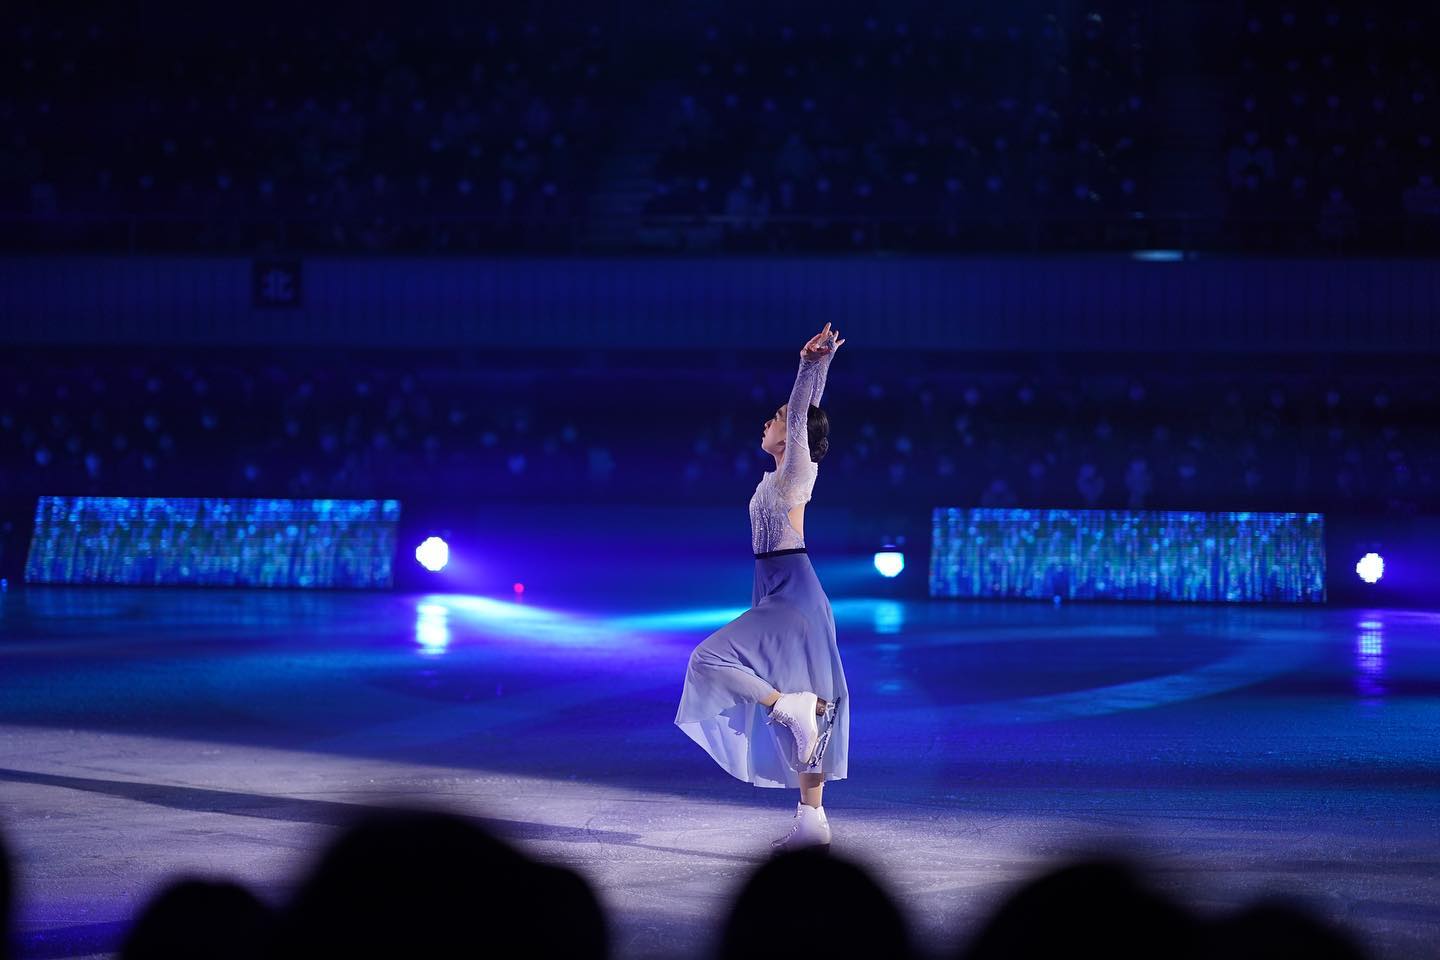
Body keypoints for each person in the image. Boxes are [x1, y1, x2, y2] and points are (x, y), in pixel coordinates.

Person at [675, 322, 849, 850]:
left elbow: (802, 414)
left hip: (792, 589)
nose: (769, 422)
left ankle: (784, 703)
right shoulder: (779, 473)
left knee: (708, 659)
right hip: (779, 587)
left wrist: (807, 364)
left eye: (775, 419)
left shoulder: (798, 471)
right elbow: (806, 413)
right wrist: (820, 367)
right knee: (805, 709)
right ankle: (811, 822)